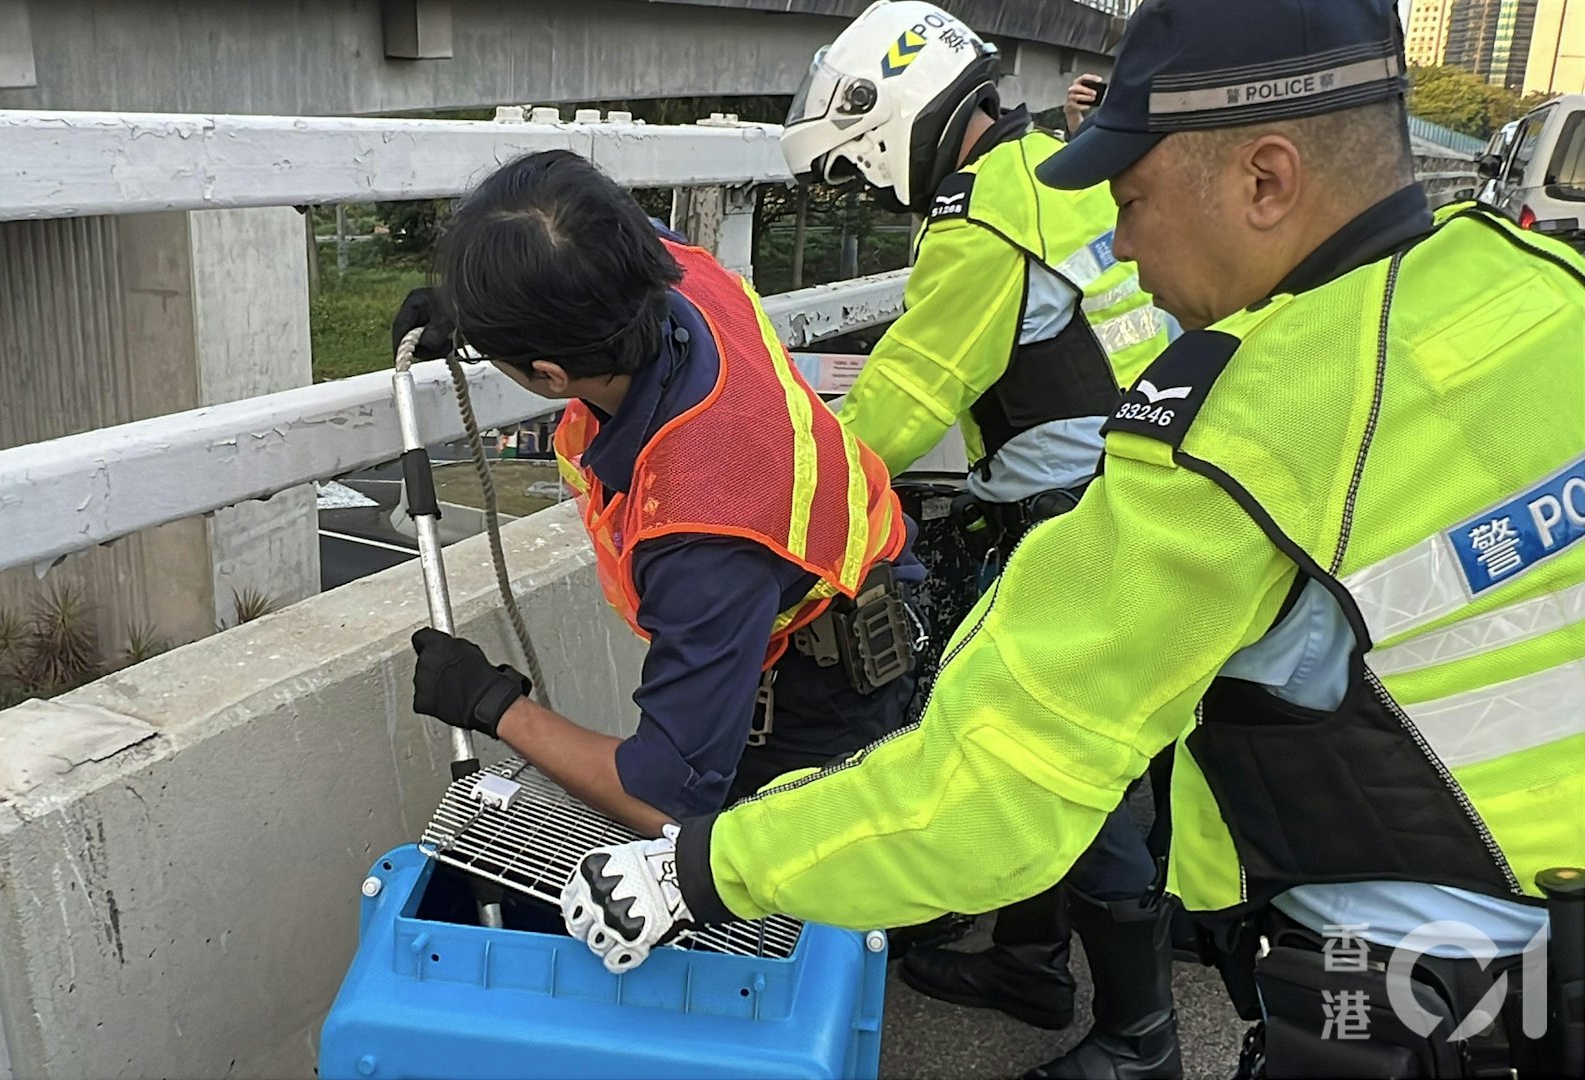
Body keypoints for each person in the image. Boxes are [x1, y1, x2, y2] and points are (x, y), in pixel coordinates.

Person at [558, 2, 1585, 1078]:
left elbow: (988, 788)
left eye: (1133, 201)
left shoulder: (1239, 440)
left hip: (1421, 1000)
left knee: (1082, 794)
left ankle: (1135, 1032)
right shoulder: (1536, 285)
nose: (1123, 242)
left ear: (1266, 180)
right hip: (1539, 953)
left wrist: (703, 870)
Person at [778, 5, 1179, 1073]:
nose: (873, 192)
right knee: (1142, 747)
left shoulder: (981, 222)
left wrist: (768, 492)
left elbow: (899, 406)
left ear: (890, 119)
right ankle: (1032, 954)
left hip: (1083, 519)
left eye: (860, 171)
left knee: (1050, 755)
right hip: (1160, 474)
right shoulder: (1060, 164)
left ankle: (1140, 1039)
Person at [394, 149, 922, 839]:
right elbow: (587, 232)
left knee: (769, 923)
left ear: (551, 377)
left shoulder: (706, 520)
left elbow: (665, 799)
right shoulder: (681, 276)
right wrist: (478, 308)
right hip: (834, 594)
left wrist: (495, 704)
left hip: (822, 695)